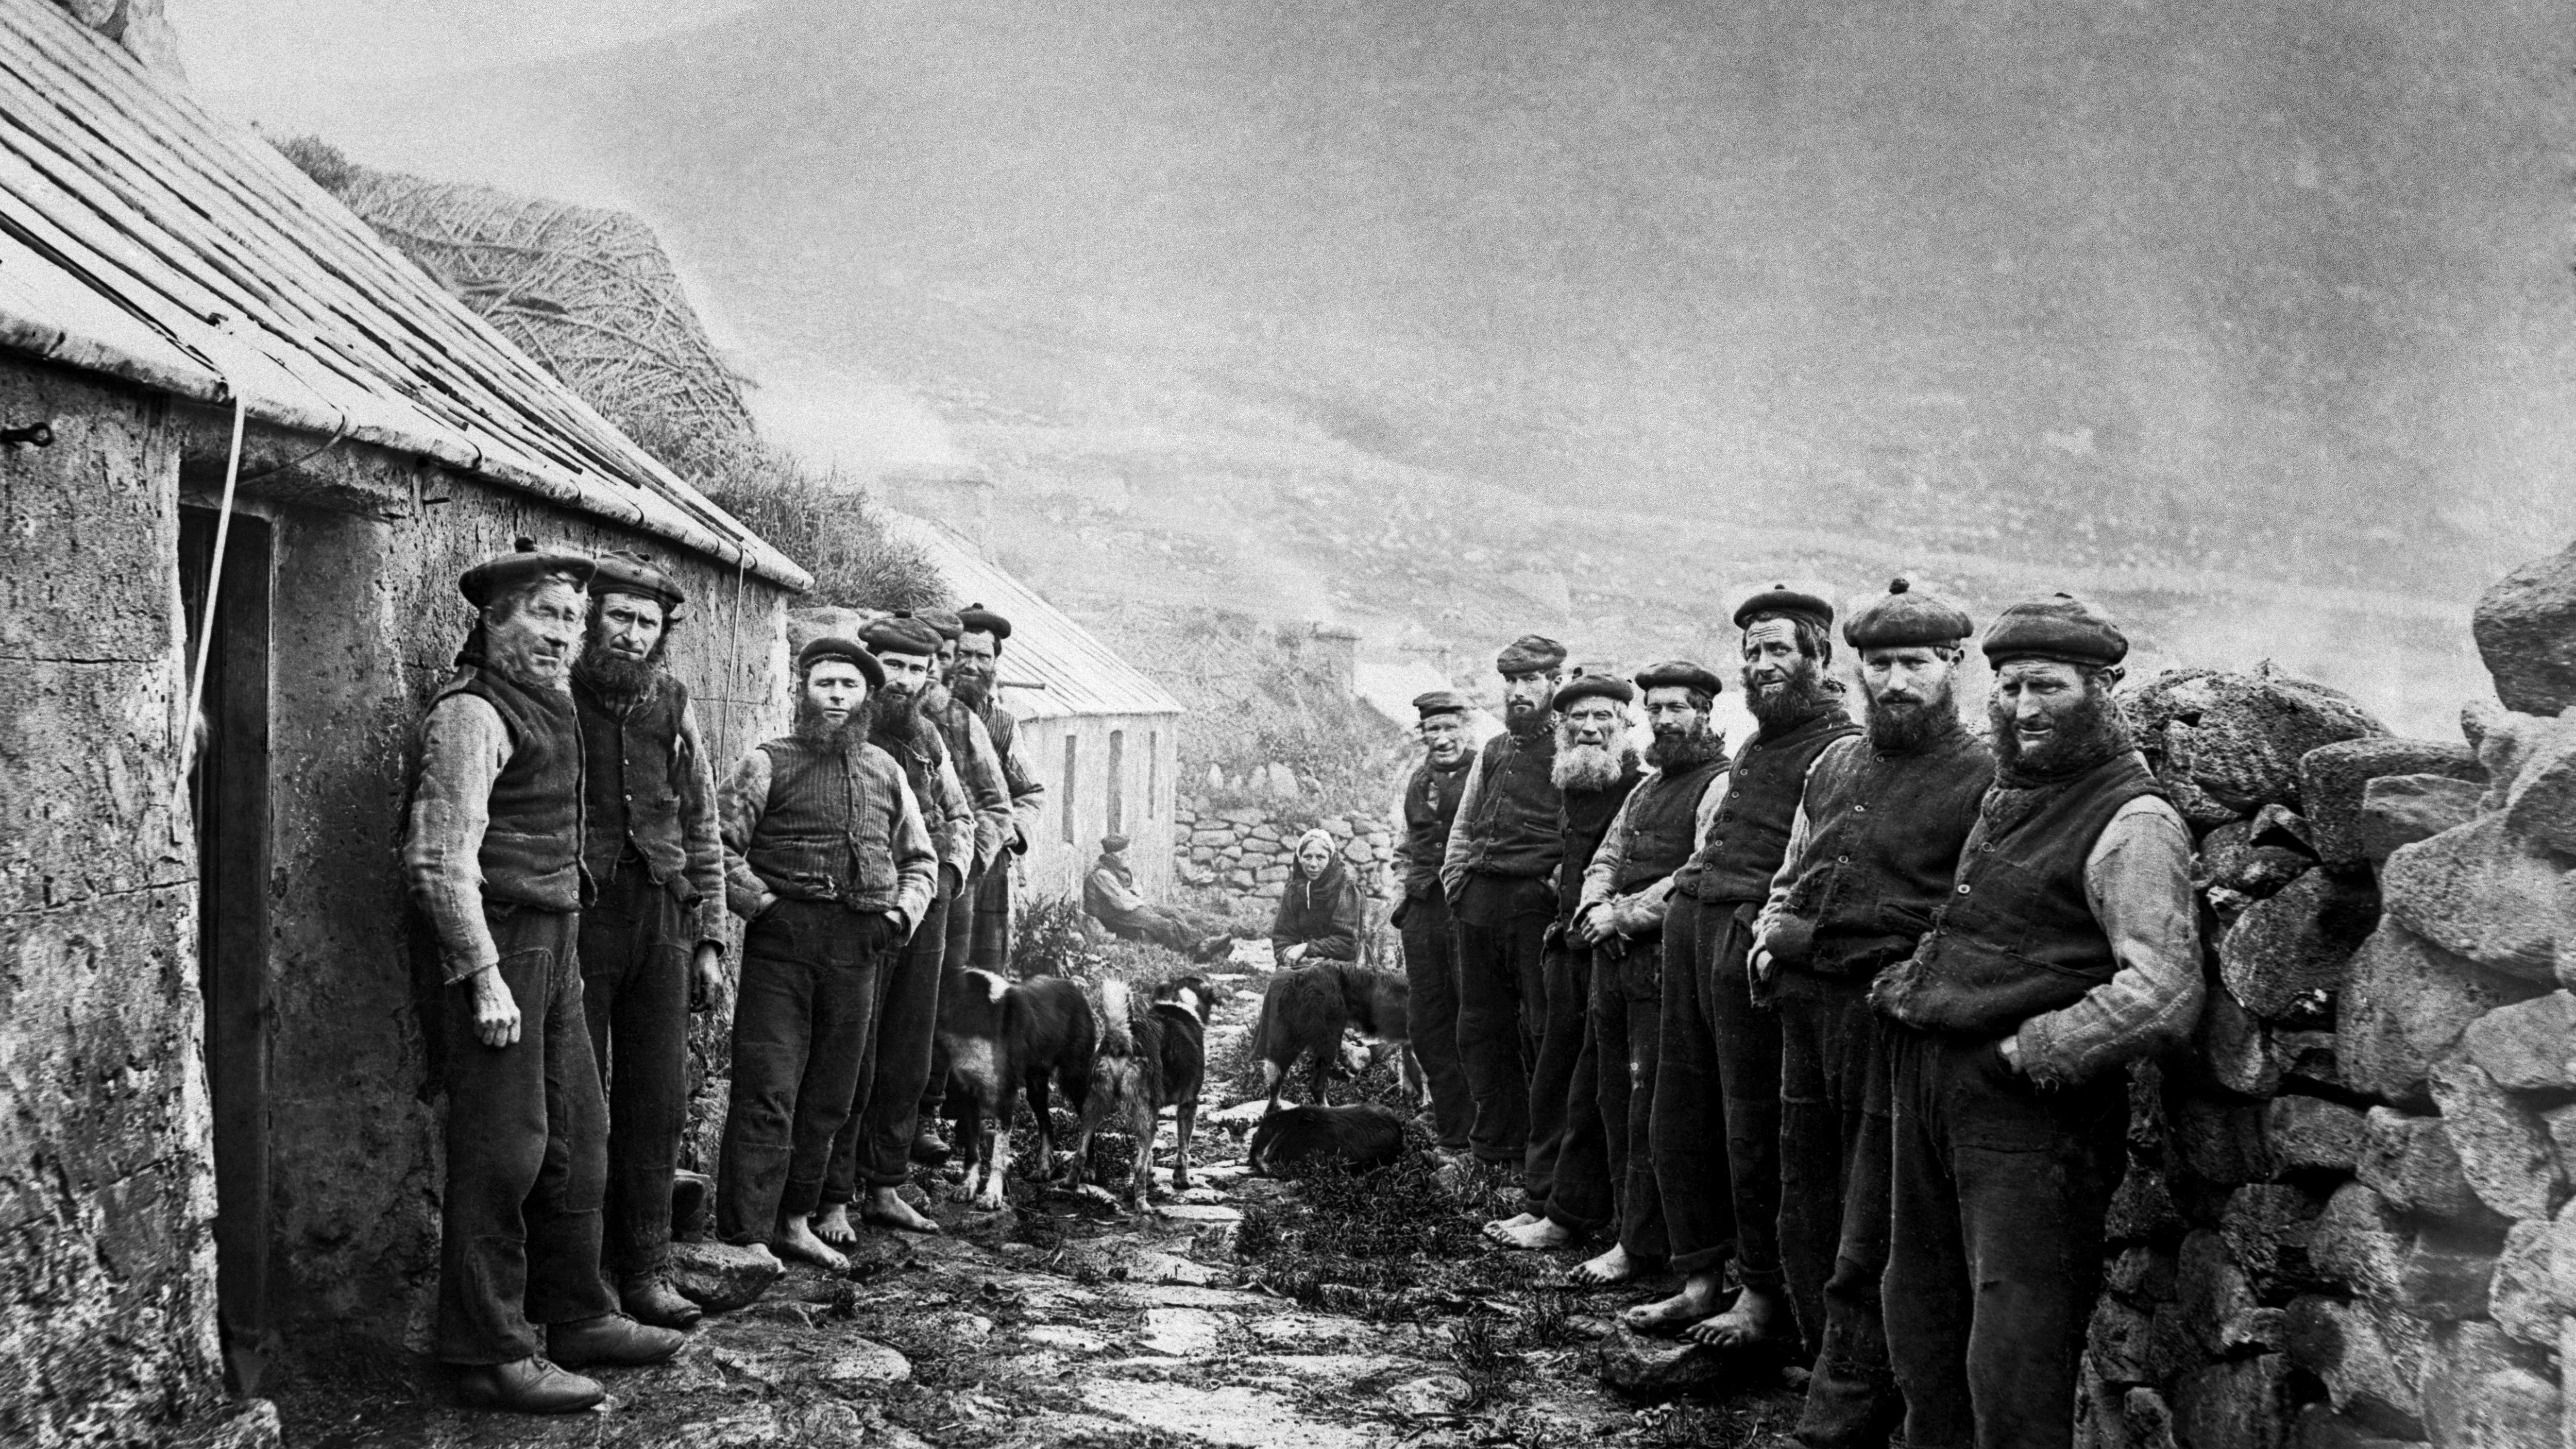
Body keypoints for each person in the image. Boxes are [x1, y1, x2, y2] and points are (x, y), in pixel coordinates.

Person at [1869, 593, 2199, 1449]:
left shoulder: (2134, 818)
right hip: (1940, 1087)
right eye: (2010, 685)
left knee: (2014, 1352)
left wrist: (2034, 1049)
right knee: (1921, 1308)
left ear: (2103, 688)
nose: (2022, 706)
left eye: (2047, 686)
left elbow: (2161, 990)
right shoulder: (2009, 797)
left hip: (2027, 1113)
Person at [404, 541, 684, 1413]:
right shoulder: (473, 713)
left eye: (571, 618)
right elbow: (436, 857)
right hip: (504, 940)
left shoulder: (551, 702)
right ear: (493, 622)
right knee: (504, 1147)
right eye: (543, 616)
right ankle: (487, 1349)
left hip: (558, 931)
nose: (563, 634)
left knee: (580, 1135)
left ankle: (576, 1313)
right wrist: (482, 976)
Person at [1750, 581, 1993, 1447]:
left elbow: (1967, 913)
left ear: (1953, 667)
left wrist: (1896, 977)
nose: (1895, 682)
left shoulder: (1984, 777)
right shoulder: (1836, 762)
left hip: (1886, 1016)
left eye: (1915, 664)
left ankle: (1848, 1412)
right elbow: (1794, 864)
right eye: (1880, 664)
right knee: (1806, 1196)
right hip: (1806, 1007)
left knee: (1873, 1212)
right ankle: (1825, 1362)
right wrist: (1771, 932)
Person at [1630, 586, 1858, 1342]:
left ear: (1819, 657)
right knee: (1678, 1111)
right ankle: (1701, 1278)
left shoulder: (1839, 746)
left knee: (1749, 1126)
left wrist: (1762, 938)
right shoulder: (1760, 742)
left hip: (1742, 941)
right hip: (1694, 927)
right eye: (1752, 653)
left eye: (1778, 651)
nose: (1760, 666)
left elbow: (1813, 865)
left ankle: (1763, 1296)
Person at [715, 636, 937, 1273]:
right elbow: (719, 847)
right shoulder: (767, 762)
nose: (837, 696)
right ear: (803, 691)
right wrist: (764, 906)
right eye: (824, 684)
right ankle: (746, 1234)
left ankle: (795, 1220)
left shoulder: (886, 770)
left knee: (830, 1095)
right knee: (770, 1086)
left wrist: (898, 915)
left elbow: (919, 859)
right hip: (782, 946)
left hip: (857, 947)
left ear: (867, 697)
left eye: (849, 686)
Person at [1524, 661, 1731, 1286]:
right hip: (1611, 966)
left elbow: (1696, 871)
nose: (1666, 720)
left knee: (1651, 1106)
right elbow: (1605, 855)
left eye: (1679, 708)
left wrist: (1624, 915)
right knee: (1612, 1099)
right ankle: (1624, 1230)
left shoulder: (1716, 784)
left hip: (1663, 965)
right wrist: (1593, 904)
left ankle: (1647, 1247)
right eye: (1658, 709)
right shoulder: (1647, 788)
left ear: (1704, 714)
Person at [566, 550, 728, 1332]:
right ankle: (572, 1281)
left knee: (655, 1097)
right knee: (576, 1100)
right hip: (580, 910)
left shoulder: (673, 701)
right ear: (593, 619)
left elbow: (702, 823)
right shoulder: (556, 694)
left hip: (661, 914)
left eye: (647, 624)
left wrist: (710, 940)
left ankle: (647, 1268)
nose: (631, 634)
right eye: (619, 618)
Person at [816, 613, 975, 1242]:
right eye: (894, 667)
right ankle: (831, 1196)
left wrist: (948, 875)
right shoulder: (840, 733)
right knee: (848, 1051)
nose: (904, 681)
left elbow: (960, 814)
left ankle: (883, 1184)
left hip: (925, 908)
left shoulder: (929, 739)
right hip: (863, 913)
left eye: (917, 669)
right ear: (871, 664)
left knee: (908, 1048)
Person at [1485, 670, 1639, 1250]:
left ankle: (1572, 1214)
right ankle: (1541, 1199)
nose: (1590, 728)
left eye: (1603, 717)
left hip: (1608, 952)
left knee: (1588, 1087)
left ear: (1626, 726)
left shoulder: (1636, 787)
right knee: (1551, 1078)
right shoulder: (1571, 781)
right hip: (1565, 948)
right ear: (1562, 727)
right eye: (1578, 718)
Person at [1439, 635, 1568, 1185]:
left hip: (1531, 905)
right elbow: (1465, 823)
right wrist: (1456, 883)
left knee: (1540, 1030)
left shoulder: (1573, 743)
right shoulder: (1494, 749)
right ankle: (1493, 1151)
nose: (1518, 691)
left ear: (1554, 683)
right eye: (1511, 681)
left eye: (1530, 680)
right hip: (1480, 901)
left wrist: (1551, 886)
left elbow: (1583, 831)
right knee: (1479, 1027)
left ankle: (1544, 1163)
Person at [908, 606, 1015, 1162]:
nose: (923, 675)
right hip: (888, 884)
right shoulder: (869, 713)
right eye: (909, 664)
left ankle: (929, 1111)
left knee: (946, 994)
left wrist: (961, 865)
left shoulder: (965, 722)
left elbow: (994, 805)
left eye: (933, 663)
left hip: (956, 882)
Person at [1389, 690, 1479, 1155]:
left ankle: (1484, 1136)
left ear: (1466, 727)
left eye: (1451, 728)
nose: (1442, 739)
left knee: (1474, 1015)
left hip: (1468, 905)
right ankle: (1451, 1130)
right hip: (1423, 909)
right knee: (1427, 1021)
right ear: (1422, 733)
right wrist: (1404, 893)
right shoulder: (1418, 779)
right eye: (1433, 730)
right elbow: (1406, 844)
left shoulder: (1487, 771)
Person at [953, 603, 1046, 972]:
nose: (972, 665)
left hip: (989, 865)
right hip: (939, 855)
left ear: (995, 663)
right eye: (963, 654)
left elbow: (1030, 792)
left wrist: (1009, 832)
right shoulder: (924, 713)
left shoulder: (1005, 726)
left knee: (982, 968)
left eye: (982, 656)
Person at [1084, 834, 1235, 959]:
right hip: (1115, 916)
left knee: (1173, 913)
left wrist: (1140, 902)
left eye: (1127, 852)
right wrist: (1143, 905)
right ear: (1111, 856)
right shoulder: (1102, 874)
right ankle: (1201, 947)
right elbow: (1121, 902)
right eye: (1123, 854)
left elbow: (1137, 891)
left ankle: (1200, 947)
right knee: (1162, 923)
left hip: (1131, 908)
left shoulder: (1122, 870)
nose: (1127, 856)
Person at [1271, 826, 1363, 965]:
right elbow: (1283, 936)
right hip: (1301, 962)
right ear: (1300, 858)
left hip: (1343, 966)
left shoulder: (1346, 889)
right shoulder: (1294, 891)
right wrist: (1293, 955)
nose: (1313, 864)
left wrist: (1307, 948)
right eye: (1307, 857)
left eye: (1320, 857)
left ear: (1331, 859)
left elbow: (1348, 944)